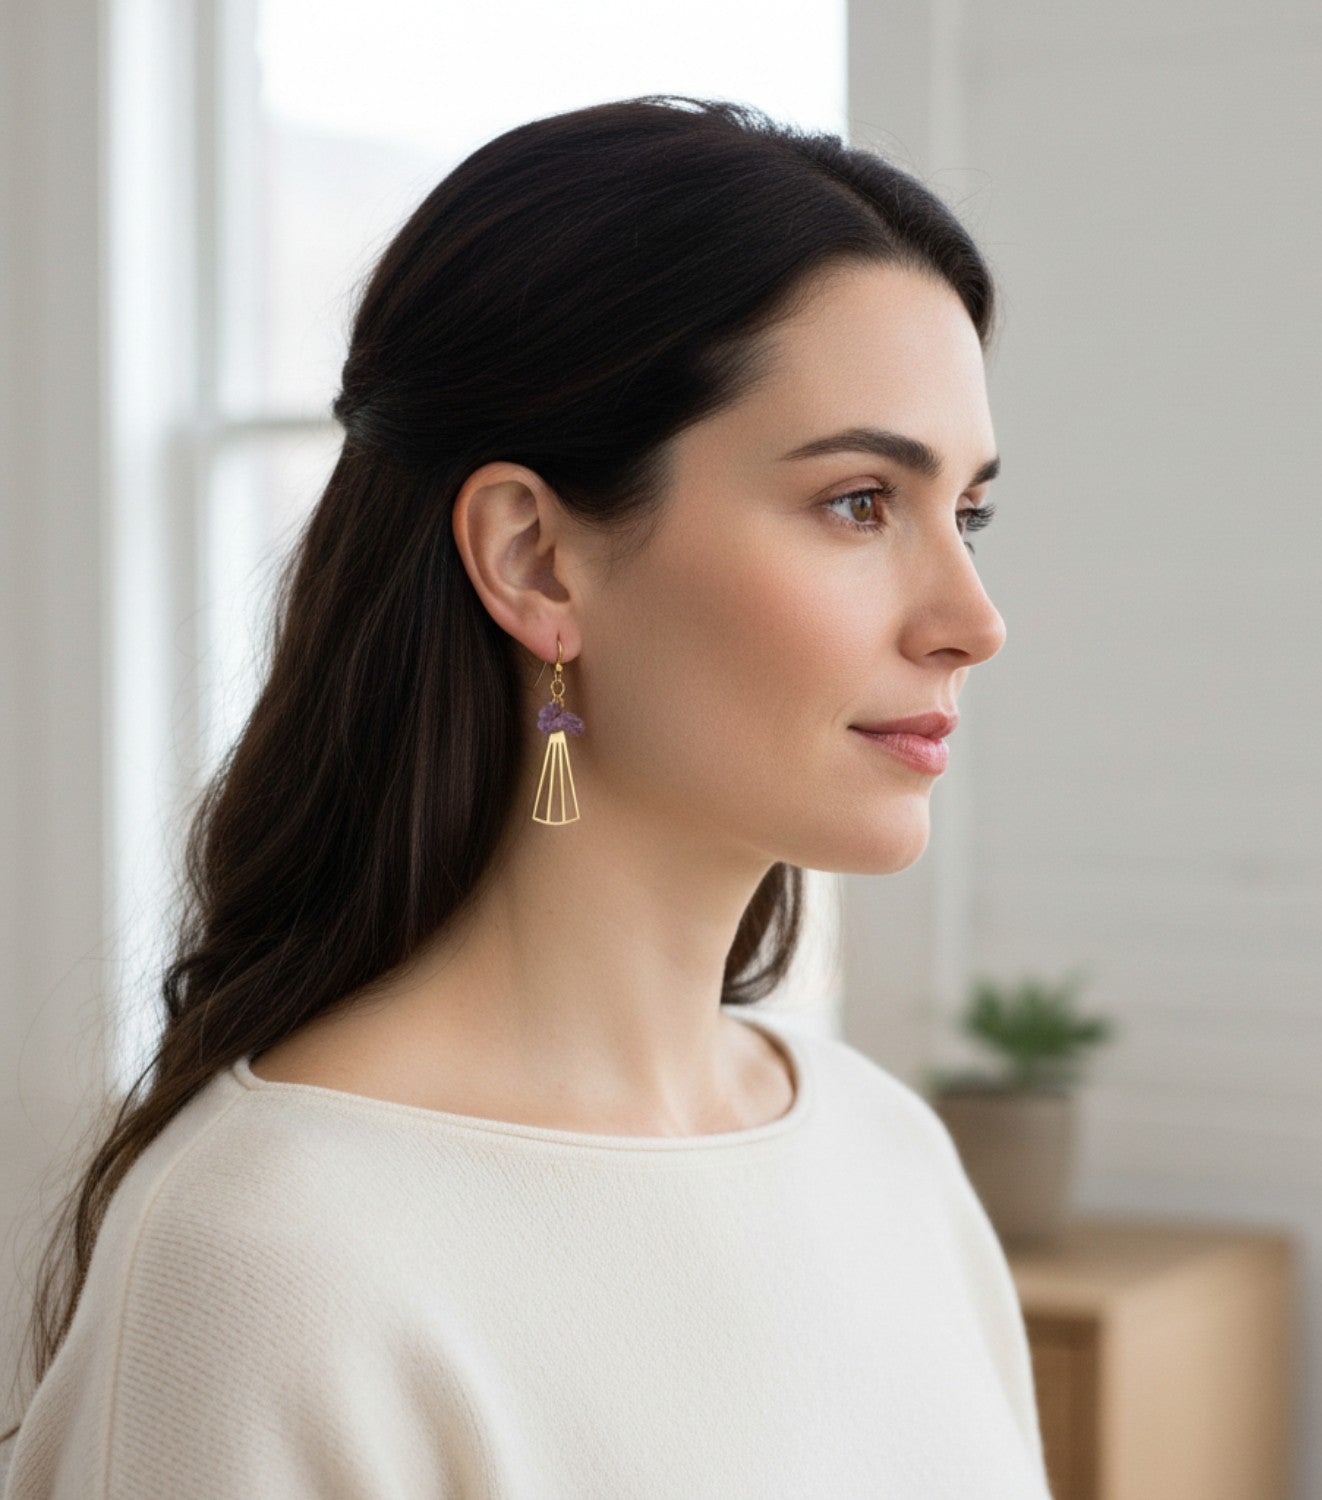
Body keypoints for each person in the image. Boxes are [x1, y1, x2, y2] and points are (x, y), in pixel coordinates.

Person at [0, 94, 1049, 1498]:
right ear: (535, 560)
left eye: (968, 514)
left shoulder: (887, 1158)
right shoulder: (269, 1264)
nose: (974, 621)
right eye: (861, 502)